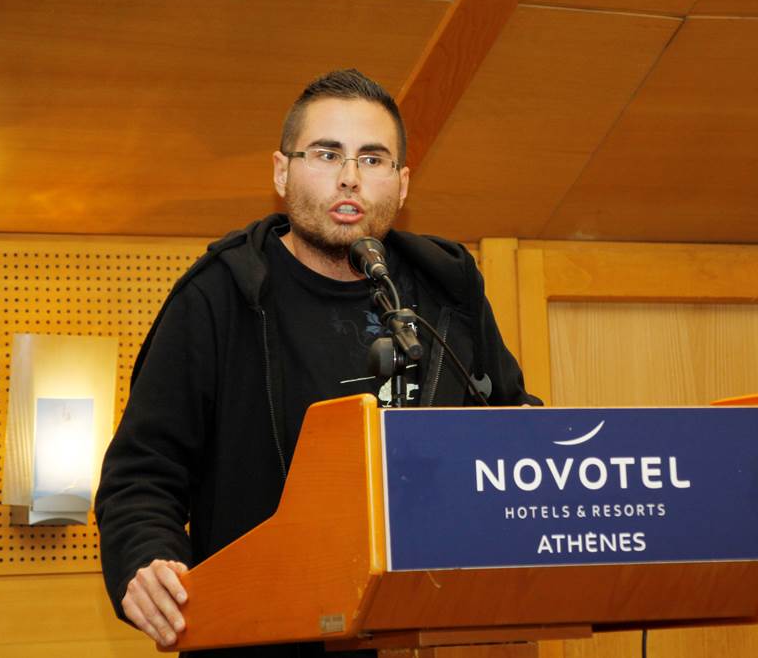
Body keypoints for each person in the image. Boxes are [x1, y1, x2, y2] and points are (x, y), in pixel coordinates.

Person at [94, 69, 541, 657]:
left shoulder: (448, 290)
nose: (350, 176)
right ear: (282, 172)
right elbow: (142, 474)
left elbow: (510, 425)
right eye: (327, 154)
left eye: (372, 159)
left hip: (439, 628)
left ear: (402, 183)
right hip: (267, 630)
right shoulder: (218, 297)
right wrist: (148, 559)